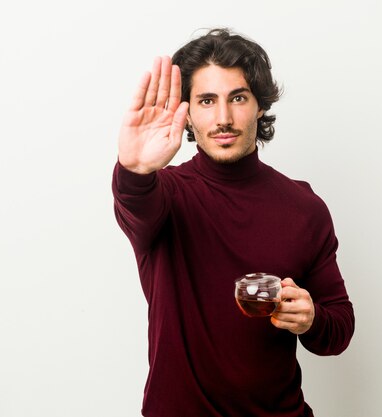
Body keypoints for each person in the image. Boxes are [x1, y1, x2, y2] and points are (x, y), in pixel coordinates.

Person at [112, 28, 354, 417]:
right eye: (206, 100)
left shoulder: (304, 207)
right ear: (187, 111)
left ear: (260, 104)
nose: (223, 118)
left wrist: (311, 318)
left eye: (237, 98)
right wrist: (134, 170)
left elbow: (339, 328)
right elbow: (134, 204)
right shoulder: (166, 196)